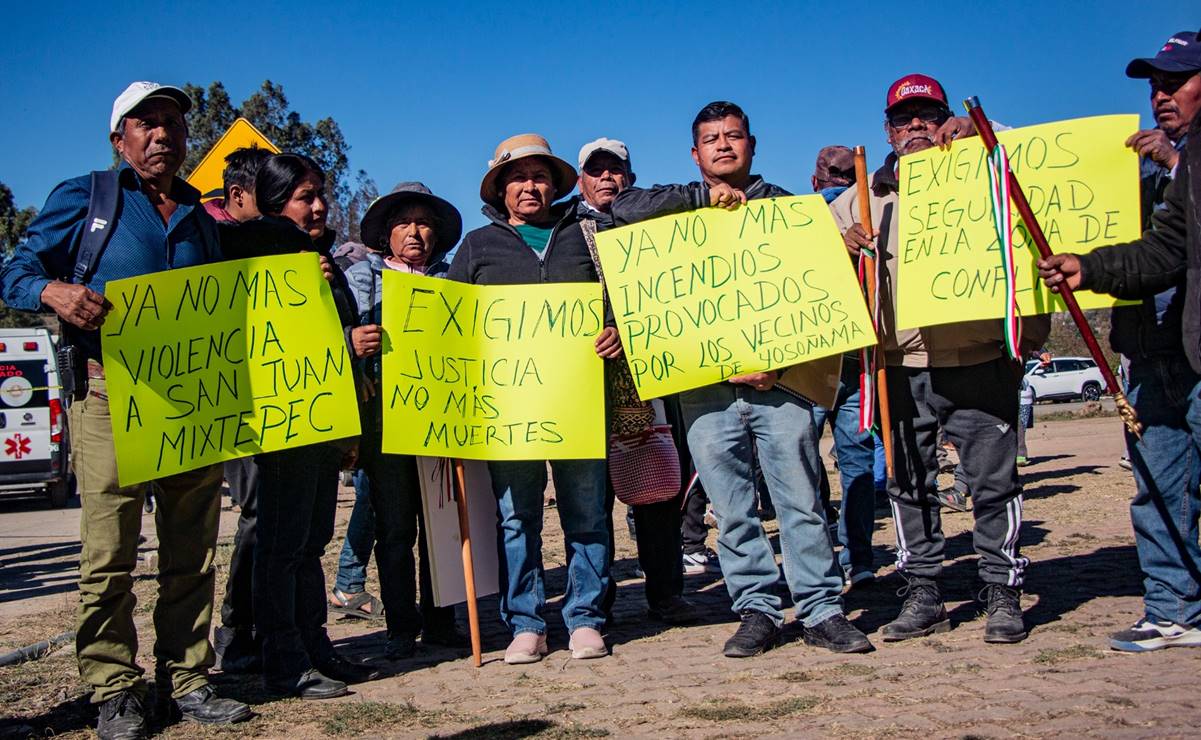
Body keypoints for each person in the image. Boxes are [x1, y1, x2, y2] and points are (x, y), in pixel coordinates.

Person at [0, 81, 251, 738]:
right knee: (109, 553)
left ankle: (189, 677)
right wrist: (52, 290)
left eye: (172, 122)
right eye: (146, 123)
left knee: (191, 550)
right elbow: (14, 267)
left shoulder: (202, 215)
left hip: (193, 402)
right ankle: (113, 686)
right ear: (120, 140)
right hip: (110, 394)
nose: (162, 133)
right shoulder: (87, 198)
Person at [612, 102, 872, 657]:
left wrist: (779, 360)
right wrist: (699, 199)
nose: (723, 145)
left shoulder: (789, 209)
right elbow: (620, 206)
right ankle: (756, 609)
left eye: (733, 136)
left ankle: (822, 609)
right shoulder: (671, 208)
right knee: (731, 509)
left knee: (800, 499)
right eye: (711, 138)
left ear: (752, 144)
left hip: (779, 386)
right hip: (704, 390)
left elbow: (816, 298)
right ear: (695, 153)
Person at [833, 74, 1049, 645]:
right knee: (908, 483)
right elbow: (818, 274)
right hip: (898, 362)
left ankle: (1003, 590)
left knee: (992, 482)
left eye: (928, 116)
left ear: (945, 118)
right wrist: (843, 245)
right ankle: (923, 590)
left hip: (976, 353)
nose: (916, 128)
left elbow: (1031, 166)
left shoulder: (982, 163)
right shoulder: (861, 195)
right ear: (888, 130)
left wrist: (981, 132)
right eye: (904, 120)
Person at [1039, 31, 1201, 653]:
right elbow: (1160, 251)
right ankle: (1172, 609)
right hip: (1148, 347)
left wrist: (1177, 164)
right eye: (1154, 85)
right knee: (1158, 486)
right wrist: (1090, 268)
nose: (1161, 96)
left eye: (1176, 81)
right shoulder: (1134, 167)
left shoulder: (1180, 163)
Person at [448, 134, 618, 663]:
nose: (529, 186)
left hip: (580, 403)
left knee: (587, 512)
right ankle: (526, 622)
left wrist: (615, 331)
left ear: (555, 185)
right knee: (516, 518)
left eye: (539, 176)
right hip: (510, 412)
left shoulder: (588, 235)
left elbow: (624, 301)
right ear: (500, 190)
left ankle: (586, 618)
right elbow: (448, 324)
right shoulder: (476, 247)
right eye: (517, 178)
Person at [221, 153, 379, 699]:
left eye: (320, 195)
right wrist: (343, 342)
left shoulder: (320, 256)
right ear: (273, 202)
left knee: (311, 539)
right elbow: (270, 338)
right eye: (303, 196)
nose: (317, 206)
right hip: (282, 424)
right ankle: (282, 656)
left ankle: (314, 645)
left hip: (324, 421)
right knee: (282, 543)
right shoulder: (252, 246)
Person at [573, 137, 697, 625]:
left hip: (650, 376)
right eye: (597, 170)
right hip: (582, 379)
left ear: (630, 175)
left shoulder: (650, 221)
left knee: (658, 490)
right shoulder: (564, 229)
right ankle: (596, 604)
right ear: (581, 179)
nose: (607, 178)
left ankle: (665, 592)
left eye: (616, 170)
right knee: (592, 498)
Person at [343, 181, 470, 658]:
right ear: (387, 232)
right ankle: (400, 625)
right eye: (404, 223)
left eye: (424, 223)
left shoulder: (454, 280)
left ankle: (441, 621)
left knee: (441, 526)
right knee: (394, 529)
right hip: (383, 426)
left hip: (440, 422)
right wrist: (354, 339)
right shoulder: (360, 280)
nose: (415, 232)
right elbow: (330, 335)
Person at [201, 145, 274, 675]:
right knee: (255, 515)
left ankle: (270, 629)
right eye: (272, 198)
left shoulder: (288, 246)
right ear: (238, 197)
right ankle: (237, 630)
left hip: (288, 401)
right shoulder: (208, 244)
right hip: (232, 403)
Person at [811, 145, 879, 590]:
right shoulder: (802, 218)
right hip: (824, 364)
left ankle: (847, 558)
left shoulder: (872, 212)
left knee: (827, 464)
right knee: (849, 464)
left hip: (846, 362)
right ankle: (849, 558)